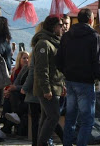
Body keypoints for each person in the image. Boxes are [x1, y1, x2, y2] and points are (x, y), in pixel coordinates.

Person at [56, 8, 100, 146]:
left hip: (70, 81)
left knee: (70, 118)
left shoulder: (67, 36)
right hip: (86, 83)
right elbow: (98, 63)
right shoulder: (94, 37)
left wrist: (67, 72)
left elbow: (58, 61)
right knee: (87, 120)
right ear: (91, 20)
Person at [33, 16, 65, 146]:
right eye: (60, 25)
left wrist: (62, 84)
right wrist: (46, 89)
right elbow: (42, 69)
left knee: (46, 117)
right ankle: (42, 143)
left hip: (55, 85)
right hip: (47, 88)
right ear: (53, 27)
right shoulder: (43, 44)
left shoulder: (54, 42)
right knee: (53, 116)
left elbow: (56, 68)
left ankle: (40, 143)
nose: (62, 27)